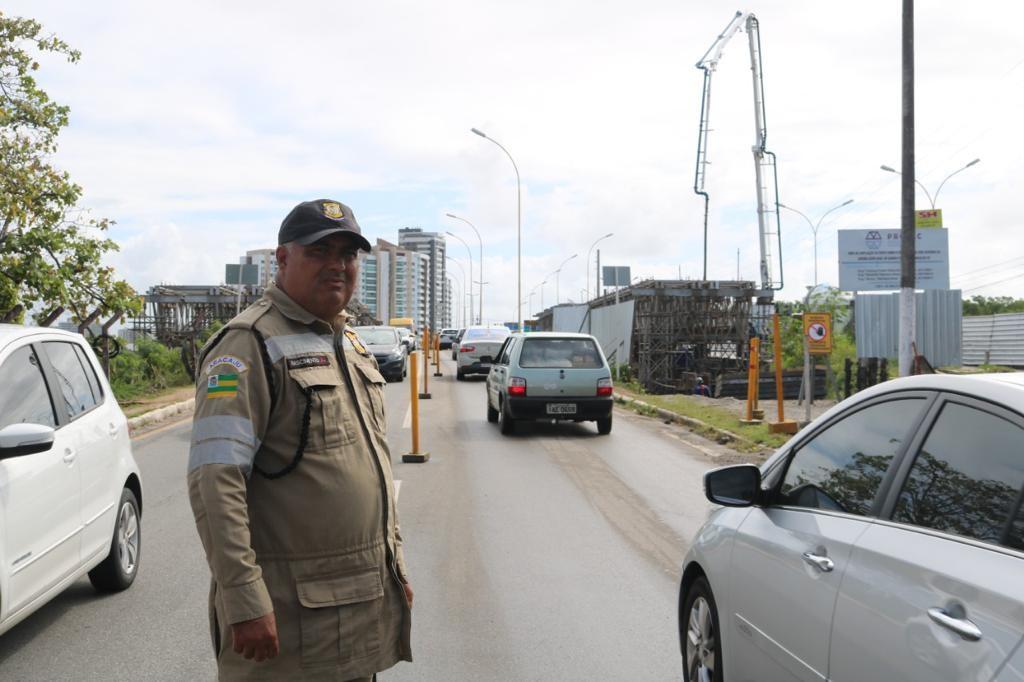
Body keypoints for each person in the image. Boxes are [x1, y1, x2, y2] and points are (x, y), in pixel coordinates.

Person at [187, 199, 413, 681]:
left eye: (349, 254)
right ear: (282, 260)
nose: (337, 265)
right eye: (320, 251)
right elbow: (215, 480)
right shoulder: (247, 345)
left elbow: (370, 464)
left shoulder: (348, 343)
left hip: (354, 607)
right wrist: (243, 598)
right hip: (290, 620)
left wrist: (394, 567)